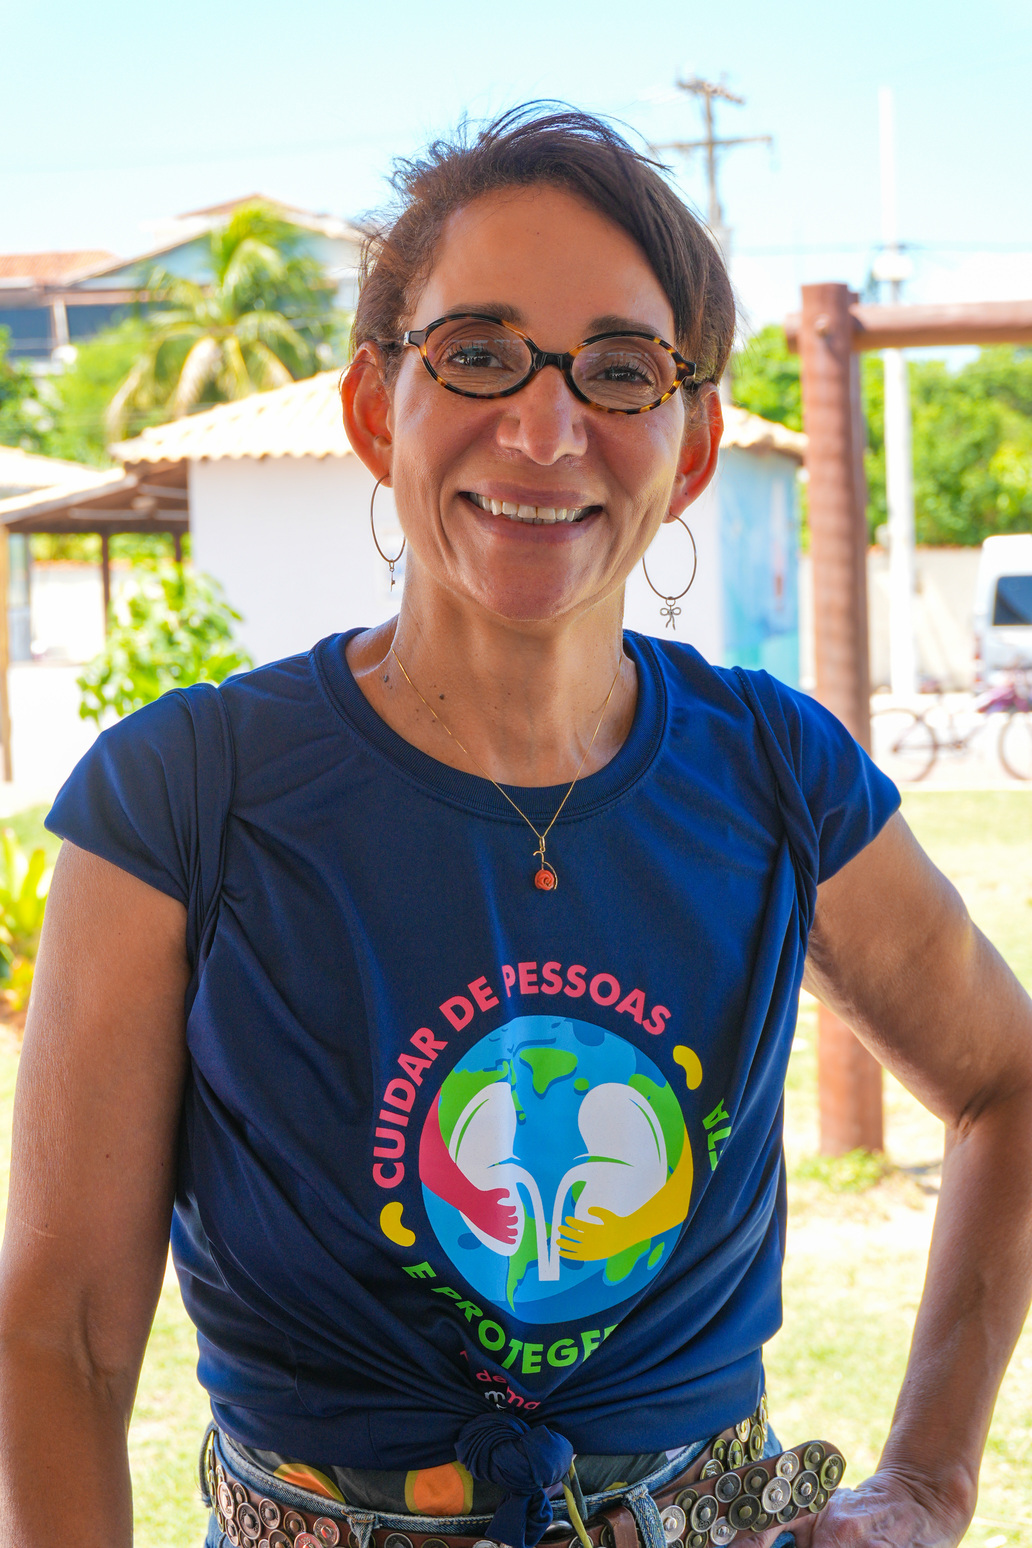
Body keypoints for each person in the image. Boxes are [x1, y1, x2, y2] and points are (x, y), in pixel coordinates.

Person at [0, 107, 1029, 1548]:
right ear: (376, 408)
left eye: (621, 370)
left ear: (689, 445)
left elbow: (1009, 1083)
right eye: (479, 354)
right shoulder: (184, 795)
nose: (545, 431)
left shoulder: (775, 773)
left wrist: (929, 1483)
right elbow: (60, 1339)